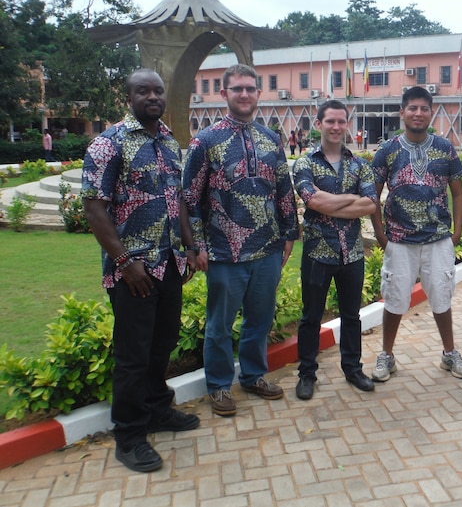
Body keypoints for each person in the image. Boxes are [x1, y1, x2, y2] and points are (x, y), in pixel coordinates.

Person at [82, 69, 200, 473]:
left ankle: (156, 409)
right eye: (142, 91)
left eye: (157, 90)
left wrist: (189, 245)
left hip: (168, 263)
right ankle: (129, 434)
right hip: (132, 269)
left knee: (162, 342)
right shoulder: (109, 144)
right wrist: (124, 262)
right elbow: (94, 207)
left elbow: (179, 199)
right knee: (133, 354)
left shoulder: (169, 142)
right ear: (128, 96)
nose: (152, 96)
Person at [183, 64, 299, 417]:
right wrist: (197, 245)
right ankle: (218, 386)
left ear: (258, 93)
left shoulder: (271, 139)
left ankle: (253, 376)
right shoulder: (205, 141)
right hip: (223, 251)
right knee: (219, 325)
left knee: (259, 320)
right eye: (237, 89)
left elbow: (283, 189)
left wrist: (290, 232)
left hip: (267, 248)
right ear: (224, 94)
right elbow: (189, 197)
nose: (244, 94)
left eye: (250, 88)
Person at [370, 85, 462, 382]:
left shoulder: (445, 148)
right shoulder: (387, 151)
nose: (418, 113)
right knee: (395, 299)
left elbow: (458, 193)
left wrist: (456, 232)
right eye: (412, 108)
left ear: (431, 113)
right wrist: (380, 234)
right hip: (399, 240)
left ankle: (449, 353)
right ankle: (387, 356)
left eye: (423, 108)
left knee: (442, 297)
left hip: (437, 238)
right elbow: (372, 196)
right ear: (402, 113)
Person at [292, 100, 378, 399]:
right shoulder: (305, 163)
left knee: (352, 315)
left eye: (342, 121)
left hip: (352, 253)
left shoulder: (360, 165)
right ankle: (306, 374)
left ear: (347, 125)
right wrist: (349, 198)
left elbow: (370, 204)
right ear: (319, 124)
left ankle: (353, 369)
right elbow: (312, 201)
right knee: (311, 316)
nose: (336, 127)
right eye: (330, 121)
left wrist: (330, 201)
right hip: (318, 252)